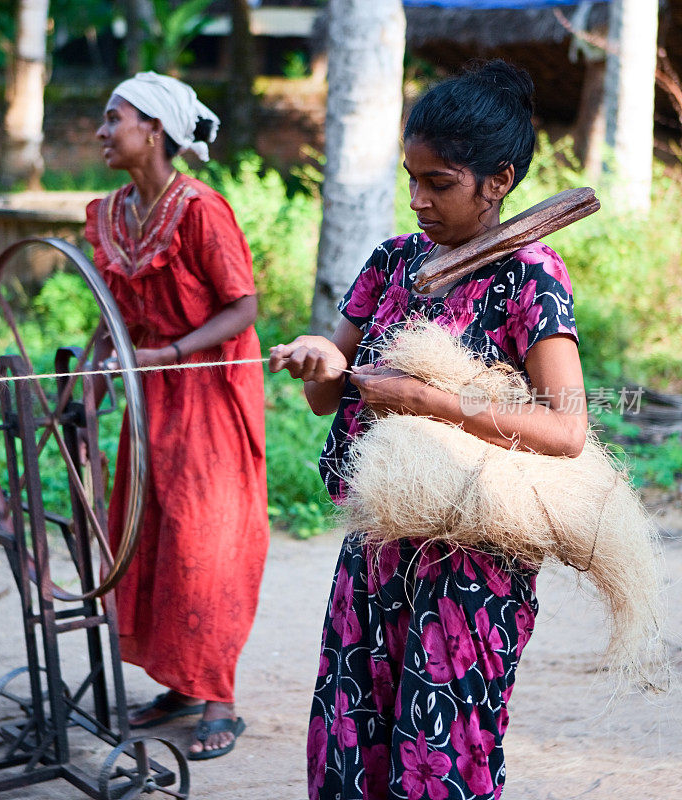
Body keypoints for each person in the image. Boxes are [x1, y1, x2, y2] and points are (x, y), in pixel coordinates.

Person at [269, 60, 587, 799]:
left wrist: (424, 400)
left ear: (498, 180)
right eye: (410, 179)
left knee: (440, 755)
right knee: (357, 742)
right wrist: (320, 357)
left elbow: (568, 432)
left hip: (470, 570)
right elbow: (330, 396)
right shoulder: (394, 263)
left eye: (439, 183)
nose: (417, 199)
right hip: (374, 555)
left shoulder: (529, 278)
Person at [85, 71, 269, 760]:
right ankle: (181, 684)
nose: (103, 131)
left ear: (153, 130)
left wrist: (168, 354)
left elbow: (243, 307)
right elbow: (109, 309)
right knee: (151, 535)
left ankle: (218, 698)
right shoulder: (107, 213)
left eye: (114, 117)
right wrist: (96, 374)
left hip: (208, 397)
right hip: (148, 400)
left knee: (207, 543)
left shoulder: (199, 210)